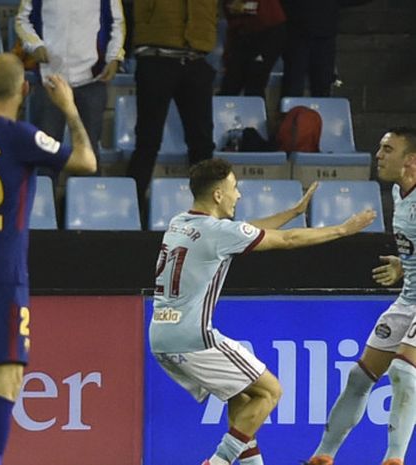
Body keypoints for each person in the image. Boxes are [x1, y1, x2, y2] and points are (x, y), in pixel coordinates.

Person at [149, 158, 375, 465]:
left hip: (161, 335)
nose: (238, 195)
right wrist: (343, 230)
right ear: (218, 195)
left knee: (241, 397)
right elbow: (289, 240)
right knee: (270, 391)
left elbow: (245, 231)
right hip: (194, 337)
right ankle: (218, 462)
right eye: (234, 188)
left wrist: (293, 213)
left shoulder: (181, 222)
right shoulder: (218, 233)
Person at [0, 53, 96, 465]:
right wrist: (69, 108)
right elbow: (86, 161)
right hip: (2, 268)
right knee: (7, 378)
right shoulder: (18, 136)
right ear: (25, 90)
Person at [305, 128, 416, 465]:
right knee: (359, 377)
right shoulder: (400, 193)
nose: (378, 155)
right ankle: (322, 458)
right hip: (409, 299)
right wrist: (402, 264)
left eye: (387, 149)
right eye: (379, 147)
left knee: (404, 372)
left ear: (410, 160)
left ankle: (394, 460)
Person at [125, 0, 217, 208]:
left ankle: (207, 210)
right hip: (155, 59)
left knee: (202, 142)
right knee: (148, 140)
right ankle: (132, 211)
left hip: (196, 58)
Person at [15, 0, 125, 171]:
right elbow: (22, 20)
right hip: (50, 80)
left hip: (92, 80)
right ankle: (46, 196)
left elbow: (117, 23)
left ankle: (86, 196)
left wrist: (114, 57)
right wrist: (35, 45)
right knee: (46, 153)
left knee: (90, 153)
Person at [219, 0, 286, 97]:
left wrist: (241, 7)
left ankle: (256, 111)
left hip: (269, 33)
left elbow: (262, 12)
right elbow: (231, 17)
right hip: (244, 34)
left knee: (255, 82)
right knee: (231, 82)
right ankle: (223, 110)